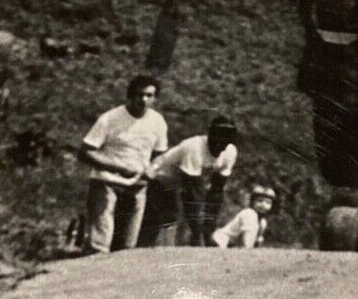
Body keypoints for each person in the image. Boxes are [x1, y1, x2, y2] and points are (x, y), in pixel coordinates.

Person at [78, 75, 168, 254]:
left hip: (137, 186)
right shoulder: (110, 118)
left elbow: (160, 155)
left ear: (155, 98)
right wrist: (117, 168)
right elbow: (85, 152)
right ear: (130, 95)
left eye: (149, 96)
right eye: (139, 95)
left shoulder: (157, 121)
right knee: (99, 243)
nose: (143, 100)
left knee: (127, 247)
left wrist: (153, 169)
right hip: (106, 182)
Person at [138, 114, 238, 247]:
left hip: (179, 184)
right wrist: (198, 236)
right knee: (168, 219)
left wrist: (208, 230)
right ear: (209, 134)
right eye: (218, 135)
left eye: (227, 136)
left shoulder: (230, 152)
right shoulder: (194, 147)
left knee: (186, 221)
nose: (221, 141)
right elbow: (192, 197)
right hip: (159, 179)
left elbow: (216, 193)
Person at [213, 184, 275, 249]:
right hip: (220, 240)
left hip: (232, 244)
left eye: (268, 202)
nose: (263, 205)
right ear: (252, 202)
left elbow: (256, 242)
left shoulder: (262, 222)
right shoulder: (249, 213)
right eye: (259, 201)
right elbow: (247, 242)